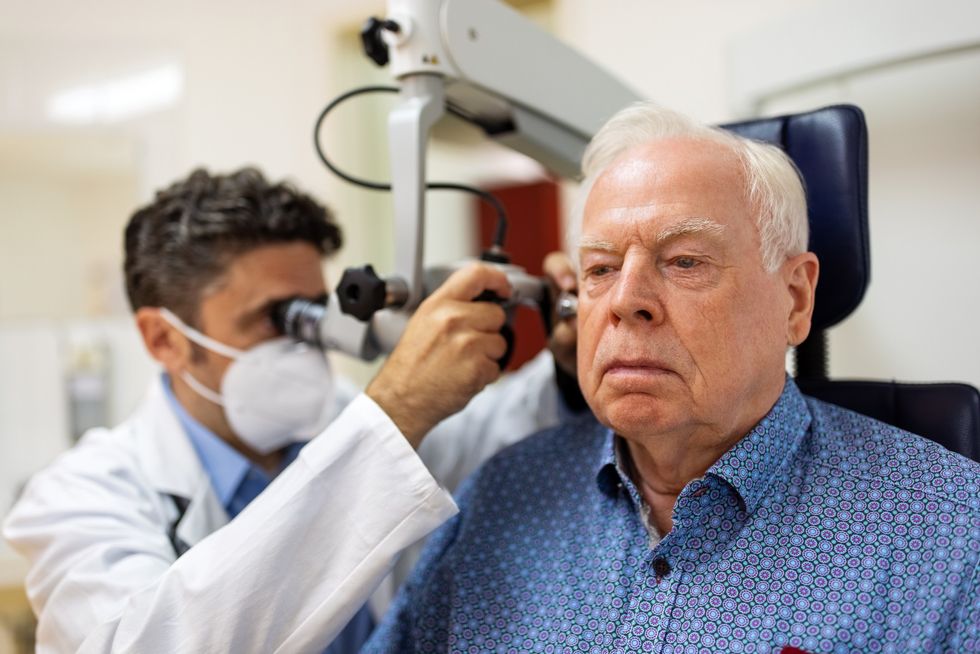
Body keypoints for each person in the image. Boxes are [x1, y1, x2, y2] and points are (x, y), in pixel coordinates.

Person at [364, 103, 980, 653]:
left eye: (685, 261)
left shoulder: (948, 531)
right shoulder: (500, 498)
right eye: (600, 268)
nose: (625, 300)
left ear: (794, 300)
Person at [2, 168, 581, 653]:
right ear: (163, 340)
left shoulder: (346, 423)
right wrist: (397, 408)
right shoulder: (79, 497)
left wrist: (567, 364)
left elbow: (490, 438)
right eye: (275, 318)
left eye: (312, 313)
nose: (306, 341)